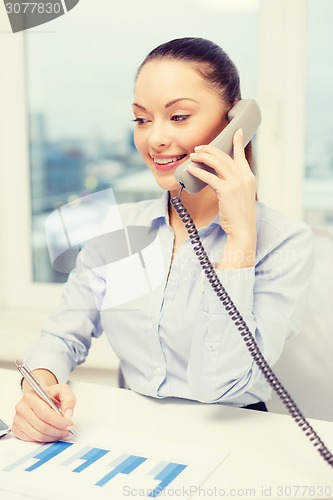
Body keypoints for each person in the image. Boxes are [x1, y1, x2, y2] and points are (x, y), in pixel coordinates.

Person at [12, 37, 313, 443]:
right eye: (141, 119)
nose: (154, 139)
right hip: (132, 436)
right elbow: (63, 334)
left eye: (178, 117)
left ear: (234, 124)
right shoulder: (117, 230)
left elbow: (219, 384)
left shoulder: (284, 242)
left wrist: (240, 236)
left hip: (235, 443)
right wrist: (39, 388)